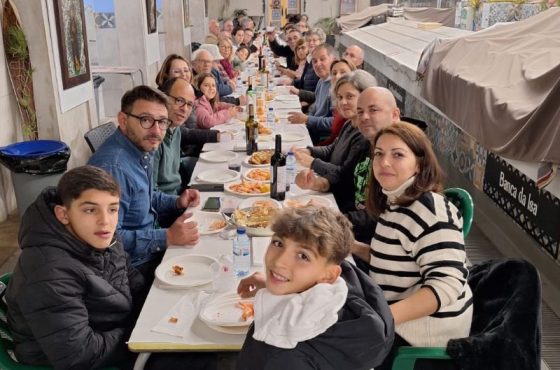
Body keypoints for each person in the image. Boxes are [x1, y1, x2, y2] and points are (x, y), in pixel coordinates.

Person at [353, 122, 473, 369]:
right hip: (397, 315)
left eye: (397, 154)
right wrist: (352, 247)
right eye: (379, 154)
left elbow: (447, 284)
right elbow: (395, 260)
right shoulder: (397, 200)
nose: (384, 162)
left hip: (421, 337)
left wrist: (382, 320)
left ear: (419, 163)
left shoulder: (431, 211)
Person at [6, 165, 144, 369]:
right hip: (71, 357)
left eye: (112, 209)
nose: (105, 221)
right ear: (63, 214)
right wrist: (140, 332)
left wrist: (152, 307)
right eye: (90, 210)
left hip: (111, 331)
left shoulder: (100, 236)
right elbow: (81, 355)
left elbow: (127, 274)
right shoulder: (49, 272)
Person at [235, 206, 394, 370]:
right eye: (278, 243)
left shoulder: (281, 350)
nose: (279, 262)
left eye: (303, 256)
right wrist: (277, 283)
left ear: (330, 275)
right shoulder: (343, 288)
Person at [88, 86, 200, 280]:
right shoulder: (114, 168)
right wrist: (166, 237)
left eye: (162, 122)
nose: (156, 131)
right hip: (130, 269)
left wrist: (176, 202)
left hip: (149, 250)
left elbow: (143, 197)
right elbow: (105, 238)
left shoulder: (140, 148)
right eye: (146, 120)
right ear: (123, 120)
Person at [154, 78, 225, 194]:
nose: (184, 109)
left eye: (190, 104)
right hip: (169, 206)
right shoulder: (154, 137)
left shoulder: (175, 128)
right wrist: (178, 203)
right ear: (163, 98)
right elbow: (152, 194)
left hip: (179, 194)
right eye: (179, 101)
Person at [288, 43, 338, 144]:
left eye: (322, 59)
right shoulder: (321, 81)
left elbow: (334, 122)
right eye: (314, 61)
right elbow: (316, 104)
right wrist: (307, 117)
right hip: (312, 129)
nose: (317, 64)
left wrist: (308, 119)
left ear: (333, 60)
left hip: (322, 138)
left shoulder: (337, 87)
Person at [318, 58, 357, 145]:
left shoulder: (350, 110)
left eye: (343, 72)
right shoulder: (337, 99)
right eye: (334, 73)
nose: (337, 76)